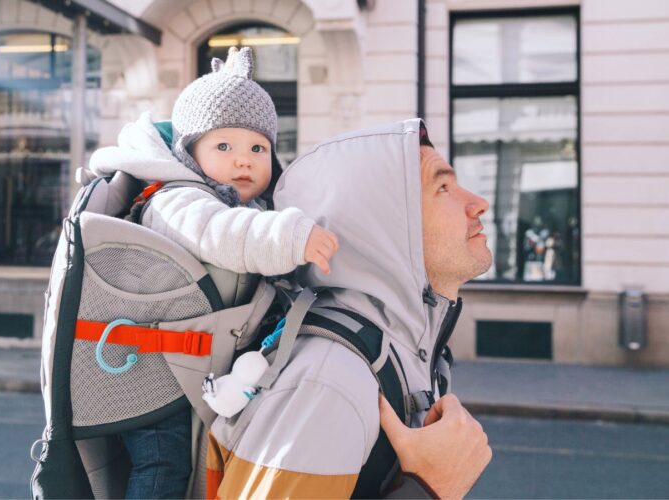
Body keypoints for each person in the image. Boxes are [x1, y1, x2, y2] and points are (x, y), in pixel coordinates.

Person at [88, 46, 338, 499]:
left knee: (198, 469)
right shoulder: (176, 198)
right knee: (163, 466)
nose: (244, 160)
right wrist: (291, 237)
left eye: (258, 148)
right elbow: (222, 234)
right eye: (224, 146)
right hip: (152, 378)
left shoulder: (248, 205)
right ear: (188, 152)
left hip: (191, 372)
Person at [205, 119, 493, 498]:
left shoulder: (395, 346)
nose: (478, 204)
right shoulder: (331, 382)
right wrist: (433, 488)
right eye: (443, 187)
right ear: (386, 225)